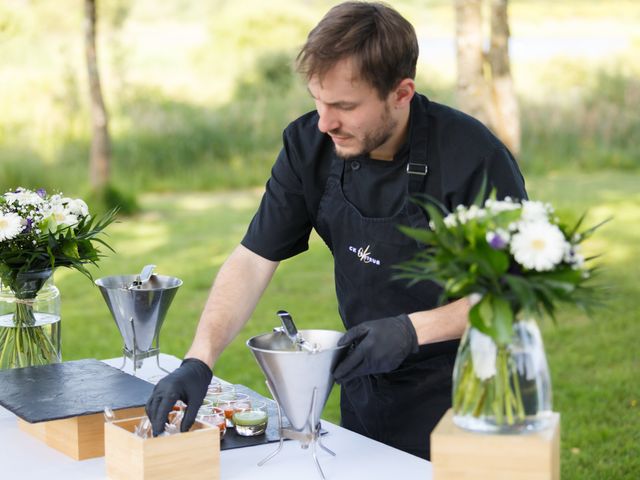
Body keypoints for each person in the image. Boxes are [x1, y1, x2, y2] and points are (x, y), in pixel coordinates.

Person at [145, 1, 527, 460]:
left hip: (470, 396)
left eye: (345, 106)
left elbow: (514, 293)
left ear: (401, 93)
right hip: (365, 392)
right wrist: (198, 359)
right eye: (317, 101)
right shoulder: (310, 145)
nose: (326, 122)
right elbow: (252, 258)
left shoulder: (473, 158)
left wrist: (411, 330)